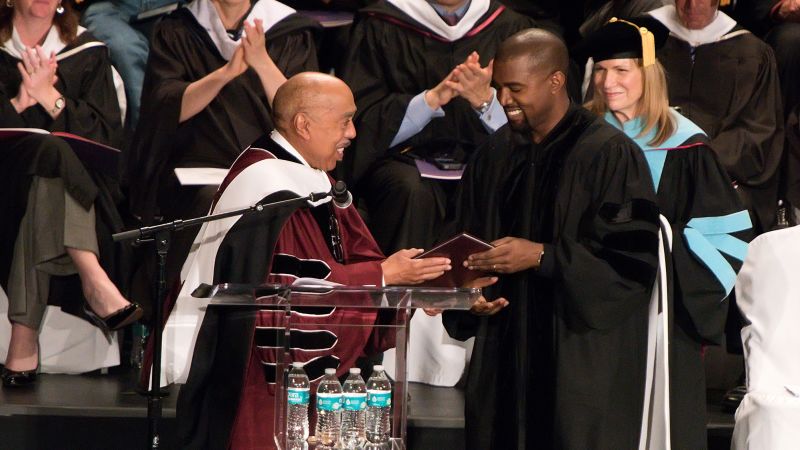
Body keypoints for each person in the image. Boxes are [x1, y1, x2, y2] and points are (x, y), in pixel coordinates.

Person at [158, 72, 464, 449]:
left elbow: (358, 256)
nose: (352, 133)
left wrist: (408, 283)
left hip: (287, 391)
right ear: (304, 124)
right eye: (345, 120)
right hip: (259, 389)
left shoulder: (311, 179)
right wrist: (384, 275)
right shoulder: (271, 191)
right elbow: (295, 294)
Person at [442, 28, 660, 449]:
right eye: (499, 87)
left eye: (516, 88)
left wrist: (542, 256)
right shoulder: (494, 154)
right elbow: (460, 240)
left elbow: (631, 266)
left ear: (556, 82)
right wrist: (467, 294)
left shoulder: (609, 154)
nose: (503, 100)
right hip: (501, 357)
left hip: (578, 357)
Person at [579, 16, 752, 449]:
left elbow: (726, 235)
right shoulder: (580, 138)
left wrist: (665, 257)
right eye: (600, 70)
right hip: (585, 302)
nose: (607, 81)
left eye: (622, 70)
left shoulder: (686, 145)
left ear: (648, 74)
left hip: (662, 307)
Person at [125, 0, 320, 303]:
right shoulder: (178, 28)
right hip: (197, 170)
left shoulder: (286, 29)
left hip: (268, 165)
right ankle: (184, 306)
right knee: (211, 199)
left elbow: (304, 116)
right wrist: (225, 73)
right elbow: (165, 107)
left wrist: (262, 61)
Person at [0, 0, 140, 386]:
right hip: (6, 188)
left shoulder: (88, 52)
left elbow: (108, 140)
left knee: (52, 166)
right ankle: (93, 278)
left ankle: (22, 340)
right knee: (51, 154)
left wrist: (50, 97)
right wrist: (18, 103)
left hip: (80, 189)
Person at [340, 0, 537, 255]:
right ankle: (403, 291)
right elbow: (359, 116)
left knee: (501, 183)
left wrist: (486, 102)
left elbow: (537, 118)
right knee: (409, 189)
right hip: (402, 160)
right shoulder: (381, 22)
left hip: (489, 157)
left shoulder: (510, 27)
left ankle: (488, 292)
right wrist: (430, 101)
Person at [647, 0, 784, 235]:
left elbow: (756, 130)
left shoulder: (752, 52)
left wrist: (703, 163)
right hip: (657, 166)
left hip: (723, 174)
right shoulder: (651, 40)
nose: (691, 6)